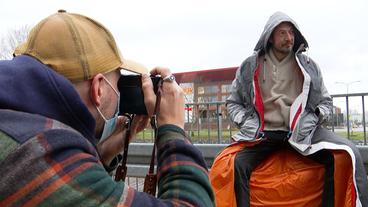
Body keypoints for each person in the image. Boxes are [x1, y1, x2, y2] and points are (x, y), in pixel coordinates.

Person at [0, 10, 214, 207]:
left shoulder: (18, 123)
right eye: (119, 82)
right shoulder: (42, 152)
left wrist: (102, 155)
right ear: (99, 88)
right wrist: (173, 130)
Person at [226, 11, 368, 206]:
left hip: (300, 134)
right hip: (263, 134)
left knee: (346, 154)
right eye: (282, 33)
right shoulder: (250, 66)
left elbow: (325, 103)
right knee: (234, 165)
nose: (289, 38)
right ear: (270, 37)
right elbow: (233, 103)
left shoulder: (309, 66)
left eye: (291, 33)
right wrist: (244, 121)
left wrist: (314, 116)